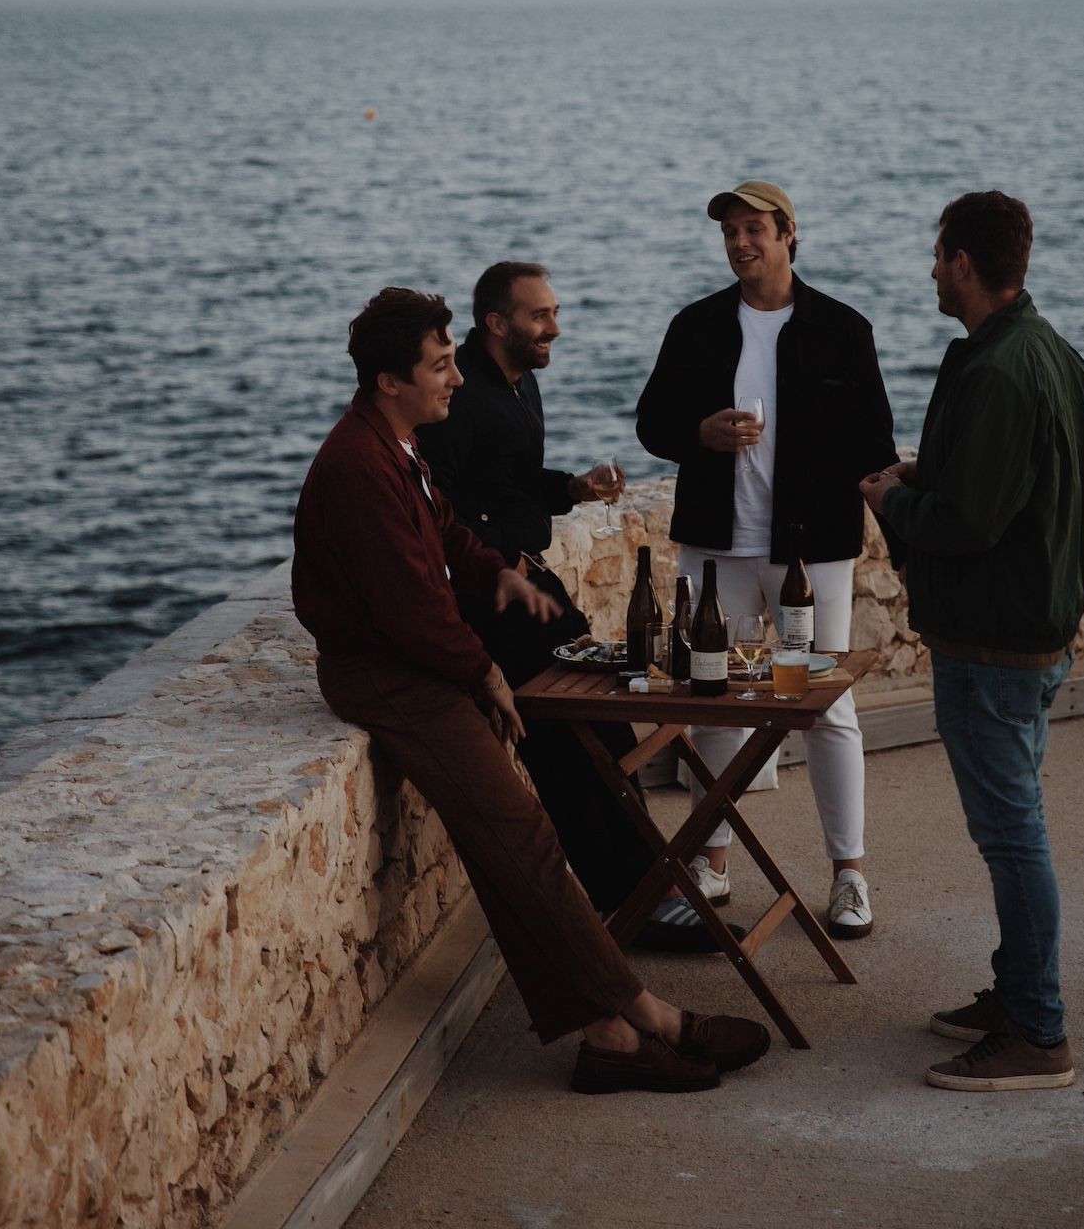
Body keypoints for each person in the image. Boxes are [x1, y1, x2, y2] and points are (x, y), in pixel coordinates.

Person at [292, 286, 770, 1094]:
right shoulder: (359, 467)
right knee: (524, 840)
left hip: (413, 667)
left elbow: (448, 534)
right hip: (391, 678)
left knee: (513, 848)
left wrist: (501, 577)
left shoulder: (393, 446)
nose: (455, 379)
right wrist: (485, 674)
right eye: (440, 366)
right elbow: (412, 608)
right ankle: (645, 1021)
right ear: (388, 380)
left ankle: (611, 1035)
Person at [417, 261, 727, 951]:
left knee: (607, 722)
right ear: (496, 324)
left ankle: (650, 882)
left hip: (533, 582)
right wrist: (501, 564)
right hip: (493, 595)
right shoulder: (458, 397)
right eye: (539, 316)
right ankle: (627, 905)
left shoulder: (521, 384)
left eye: (554, 312)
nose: (554, 327)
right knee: (566, 743)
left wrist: (574, 488)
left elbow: (516, 482)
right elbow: (445, 511)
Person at [860, 191, 1084, 1092]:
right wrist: (935, 475)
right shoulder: (1048, 356)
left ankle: (1038, 1033)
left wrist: (893, 501)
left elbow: (969, 523)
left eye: (937, 255)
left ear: (964, 262)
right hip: (1028, 632)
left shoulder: (1000, 370)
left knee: (1011, 837)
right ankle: (1017, 992)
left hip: (994, 643)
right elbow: (1017, 485)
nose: (929, 269)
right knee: (1014, 828)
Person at [636, 180, 898, 939]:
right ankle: (712, 861)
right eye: (730, 232)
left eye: (754, 229)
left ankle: (849, 876)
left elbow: (874, 446)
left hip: (813, 556)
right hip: (716, 548)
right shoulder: (695, 327)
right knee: (711, 704)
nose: (740, 243)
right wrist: (701, 434)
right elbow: (653, 422)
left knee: (827, 709)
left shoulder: (844, 330)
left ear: (789, 234)